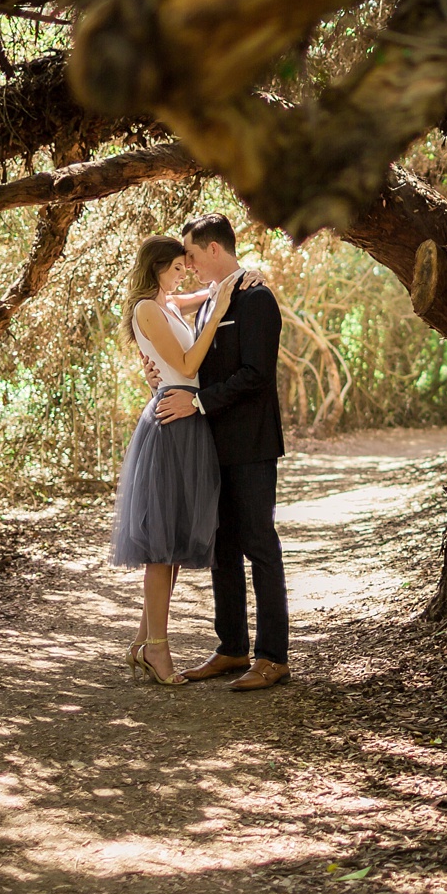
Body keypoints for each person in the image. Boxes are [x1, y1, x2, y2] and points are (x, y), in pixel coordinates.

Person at [153, 213, 291, 691]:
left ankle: (273, 656)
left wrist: (198, 401)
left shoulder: (256, 298)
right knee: (223, 550)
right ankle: (232, 647)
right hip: (211, 444)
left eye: (190, 254)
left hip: (251, 445)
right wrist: (168, 379)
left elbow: (256, 374)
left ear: (214, 250)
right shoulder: (211, 298)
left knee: (259, 544)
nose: (186, 264)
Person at [110, 234, 243, 684]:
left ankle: (143, 642)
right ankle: (158, 649)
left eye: (186, 266)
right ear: (157, 267)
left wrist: (236, 281)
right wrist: (218, 315)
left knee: (174, 541)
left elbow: (209, 290)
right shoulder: (148, 307)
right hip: (170, 423)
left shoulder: (166, 302)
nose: (183, 272)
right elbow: (186, 366)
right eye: (176, 267)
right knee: (161, 547)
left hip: (187, 422)